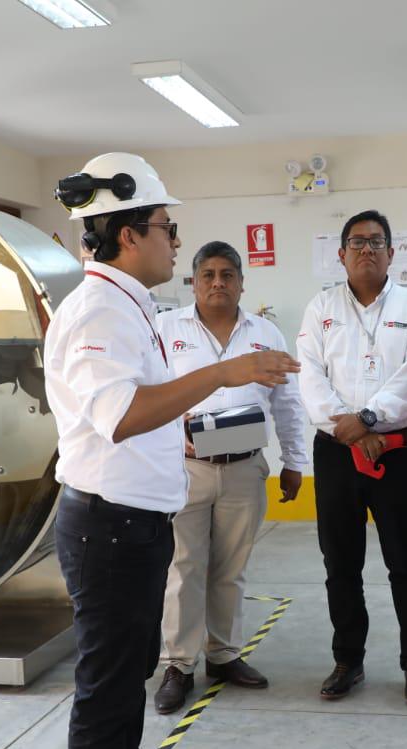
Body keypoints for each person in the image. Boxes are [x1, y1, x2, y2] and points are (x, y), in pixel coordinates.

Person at [44, 153, 299, 749]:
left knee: (128, 678)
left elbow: (138, 411)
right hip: (111, 529)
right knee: (105, 687)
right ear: (129, 233)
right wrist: (225, 371)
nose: (176, 240)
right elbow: (121, 413)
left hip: (136, 521)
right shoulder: (101, 310)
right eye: (167, 226)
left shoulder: (130, 304)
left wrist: (192, 424)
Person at [152, 241, 309, 713]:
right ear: (194, 282)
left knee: (231, 569)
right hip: (185, 470)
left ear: (242, 282)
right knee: (182, 569)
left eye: (227, 274)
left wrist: (294, 462)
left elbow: (287, 403)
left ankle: (222, 655)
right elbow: (147, 395)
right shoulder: (164, 330)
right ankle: (178, 664)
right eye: (208, 275)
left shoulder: (265, 334)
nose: (218, 283)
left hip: (244, 468)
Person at [296, 209, 407, 706]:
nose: (366, 250)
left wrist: (371, 419)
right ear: (340, 254)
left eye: (377, 242)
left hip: (396, 453)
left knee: (405, 561)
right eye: (356, 242)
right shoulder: (321, 308)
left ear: (391, 254)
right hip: (336, 453)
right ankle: (348, 660)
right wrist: (353, 430)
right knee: (341, 563)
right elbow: (310, 376)